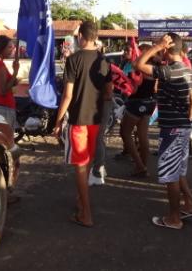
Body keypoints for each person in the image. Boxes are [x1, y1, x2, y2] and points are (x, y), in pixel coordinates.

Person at [135, 33, 192, 230]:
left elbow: (139, 64)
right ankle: (190, 204)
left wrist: (155, 47)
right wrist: (184, 123)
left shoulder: (168, 71)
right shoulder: (188, 71)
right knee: (178, 171)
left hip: (172, 130)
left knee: (171, 176)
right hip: (182, 128)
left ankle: (174, 218)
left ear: (166, 48)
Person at [53, 21, 112, 227]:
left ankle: (86, 213)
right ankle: (81, 200)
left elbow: (68, 95)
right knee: (86, 162)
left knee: (80, 165)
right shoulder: (104, 61)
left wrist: (58, 121)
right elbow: (108, 92)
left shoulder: (73, 60)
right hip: (95, 119)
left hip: (78, 120)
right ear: (94, 37)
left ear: (81, 37)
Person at [119, 44, 157, 177]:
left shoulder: (140, 68)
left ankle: (139, 165)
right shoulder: (154, 68)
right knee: (143, 136)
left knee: (125, 132)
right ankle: (143, 166)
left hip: (137, 103)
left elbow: (134, 89)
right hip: (150, 102)